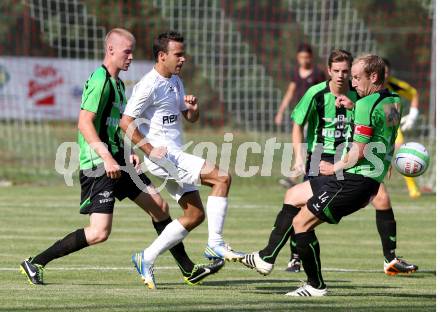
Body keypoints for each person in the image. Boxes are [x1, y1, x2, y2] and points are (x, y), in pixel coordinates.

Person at [19, 28, 223, 288]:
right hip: (98, 164)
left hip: (118, 160)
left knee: (159, 206)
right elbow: (84, 123)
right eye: (127, 51)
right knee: (99, 232)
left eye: (132, 52)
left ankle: (188, 269)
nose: (130, 57)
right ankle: (35, 261)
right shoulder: (100, 80)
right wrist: (106, 157)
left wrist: (128, 153)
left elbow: (116, 125)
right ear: (111, 50)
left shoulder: (117, 84)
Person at [242, 54, 410, 296]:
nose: (351, 83)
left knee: (301, 223)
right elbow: (387, 132)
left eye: (355, 77)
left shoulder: (364, 105)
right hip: (368, 176)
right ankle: (266, 256)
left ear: (373, 76)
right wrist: (384, 158)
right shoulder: (393, 100)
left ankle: (315, 286)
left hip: (355, 179)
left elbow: (359, 151)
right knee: (293, 194)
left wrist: (334, 168)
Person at [120, 31, 244, 288]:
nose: (183, 59)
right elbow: (125, 121)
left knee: (195, 214)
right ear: (162, 56)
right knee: (222, 178)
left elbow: (188, 118)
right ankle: (215, 245)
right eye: (178, 54)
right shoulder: (148, 84)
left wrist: (192, 111)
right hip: (164, 157)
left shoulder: (175, 80)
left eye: (183, 54)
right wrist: (149, 149)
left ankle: (146, 257)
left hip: (173, 154)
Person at [241, 49, 358, 274]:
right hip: (318, 158)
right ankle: (293, 257)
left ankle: (276, 257)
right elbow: (297, 124)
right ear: (328, 70)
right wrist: (298, 156)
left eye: (345, 71)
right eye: (336, 71)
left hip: (346, 160)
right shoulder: (316, 93)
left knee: (305, 207)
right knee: (301, 205)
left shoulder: (358, 95)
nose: (341, 75)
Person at [275, 43, 326, 189]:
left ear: (311, 57)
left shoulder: (317, 73)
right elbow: (290, 92)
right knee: (300, 145)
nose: (304, 60)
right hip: (301, 116)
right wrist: (281, 111)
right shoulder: (296, 73)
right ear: (298, 58)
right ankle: (298, 173)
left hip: (314, 116)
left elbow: (326, 92)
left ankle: (295, 175)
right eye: (301, 57)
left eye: (307, 57)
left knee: (307, 145)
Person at [384, 58, 421, 198]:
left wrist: (413, 115)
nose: (385, 75)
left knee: (401, 151)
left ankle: (412, 188)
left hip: (390, 115)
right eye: (383, 72)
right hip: (370, 118)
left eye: (387, 72)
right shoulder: (368, 84)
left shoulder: (395, 84)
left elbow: (414, 93)